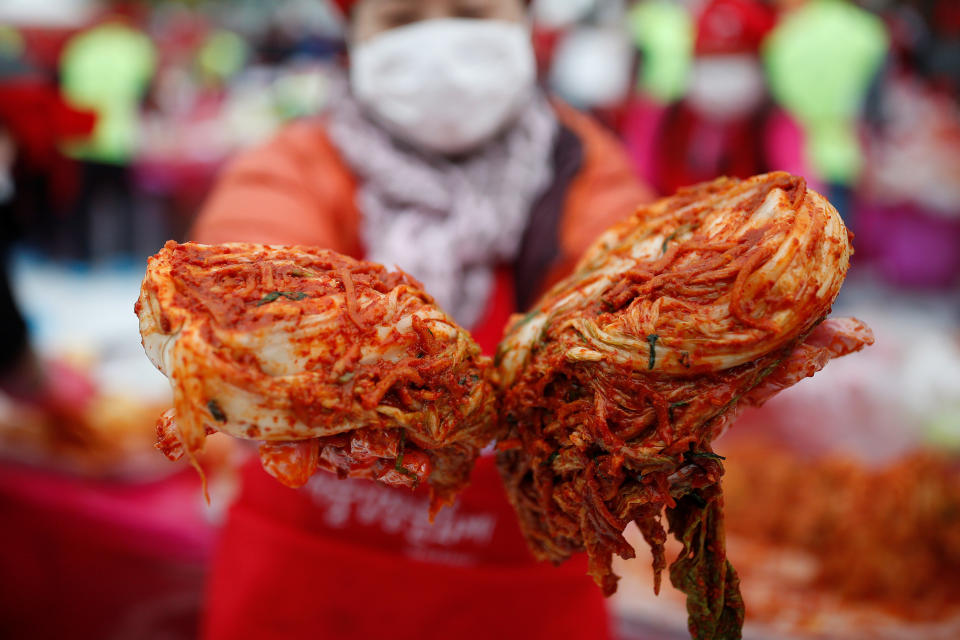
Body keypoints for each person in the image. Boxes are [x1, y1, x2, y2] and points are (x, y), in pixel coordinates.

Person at [191, 1, 652, 638]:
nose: (438, 41)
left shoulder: (585, 171)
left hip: (519, 586)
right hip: (310, 582)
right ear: (353, 37)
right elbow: (244, 307)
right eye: (401, 19)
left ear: (526, 26)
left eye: (471, 12)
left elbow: (633, 311)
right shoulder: (293, 167)